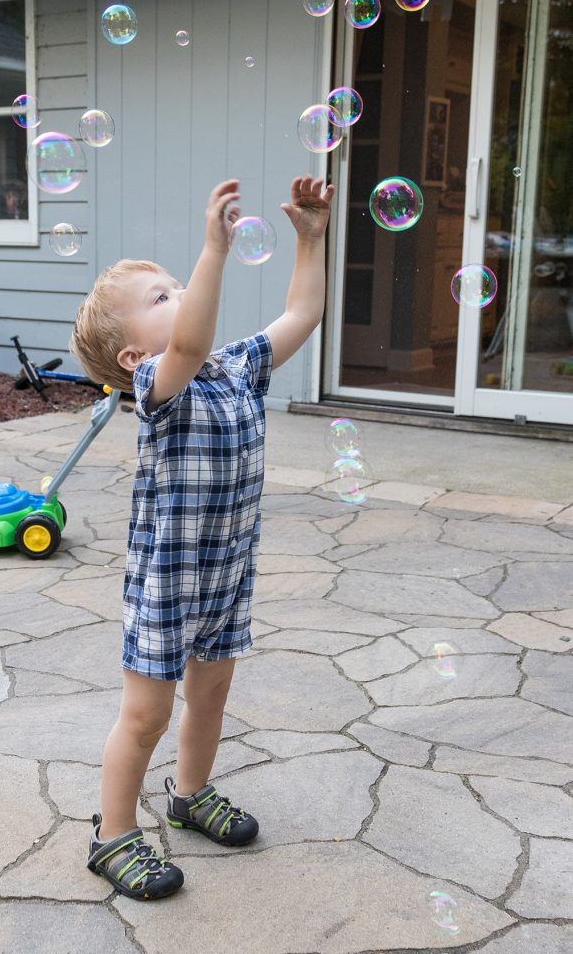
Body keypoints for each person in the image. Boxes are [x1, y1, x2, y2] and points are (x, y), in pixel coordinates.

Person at [69, 174, 335, 901]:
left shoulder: (236, 371)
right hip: (167, 580)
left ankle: (189, 796)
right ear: (130, 359)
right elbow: (189, 341)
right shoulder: (161, 384)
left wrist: (309, 239)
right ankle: (112, 834)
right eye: (162, 296)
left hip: (225, 572)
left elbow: (301, 313)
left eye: (179, 283)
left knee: (211, 694)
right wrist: (213, 248)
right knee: (147, 712)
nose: (181, 293)